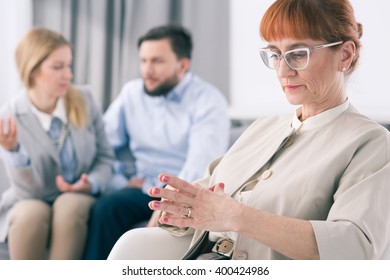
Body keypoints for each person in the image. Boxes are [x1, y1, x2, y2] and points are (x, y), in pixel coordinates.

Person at [108, 0, 390, 260]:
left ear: (345, 55)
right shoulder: (263, 129)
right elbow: (205, 199)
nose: (283, 71)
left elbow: (355, 248)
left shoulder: (371, 143)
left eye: (298, 54)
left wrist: (237, 217)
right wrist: (180, 209)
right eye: (275, 55)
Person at [82, 24, 230, 259]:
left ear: (183, 65)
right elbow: (104, 147)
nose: (147, 70)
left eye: (157, 61)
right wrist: (121, 180)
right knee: (105, 208)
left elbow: (199, 165)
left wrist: (168, 200)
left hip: (182, 191)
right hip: (142, 188)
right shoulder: (132, 93)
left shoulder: (208, 101)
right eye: (143, 61)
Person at [0, 27, 114, 259]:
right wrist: (13, 151)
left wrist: (90, 183)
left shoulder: (85, 99)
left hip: (77, 196)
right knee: (30, 214)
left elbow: (105, 157)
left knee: (69, 205)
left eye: (69, 65)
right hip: (31, 196)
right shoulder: (10, 116)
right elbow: (27, 191)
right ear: (32, 70)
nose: (68, 75)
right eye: (58, 67)